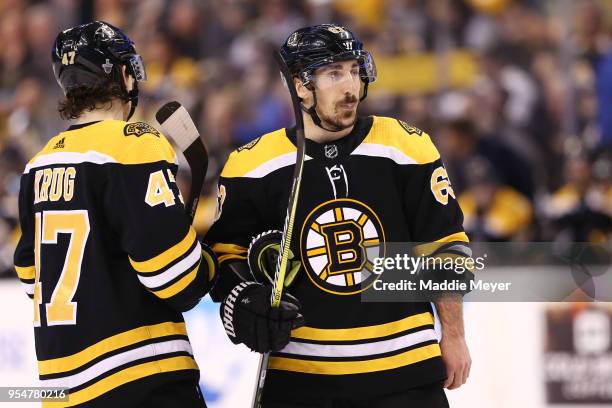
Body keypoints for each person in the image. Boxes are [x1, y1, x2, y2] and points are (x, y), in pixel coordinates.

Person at [206, 24, 473, 407]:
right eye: (334, 74)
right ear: (301, 86)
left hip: (406, 373)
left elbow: (445, 245)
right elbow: (226, 256)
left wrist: (454, 334)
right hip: (303, 380)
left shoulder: (405, 145)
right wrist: (245, 300)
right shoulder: (252, 165)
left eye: (353, 70)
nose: (350, 86)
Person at [13, 21, 217, 407]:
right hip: (140, 377)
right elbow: (175, 278)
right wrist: (210, 265)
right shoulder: (133, 144)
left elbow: (31, 279)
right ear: (125, 74)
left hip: (61, 390)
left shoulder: (37, 164)